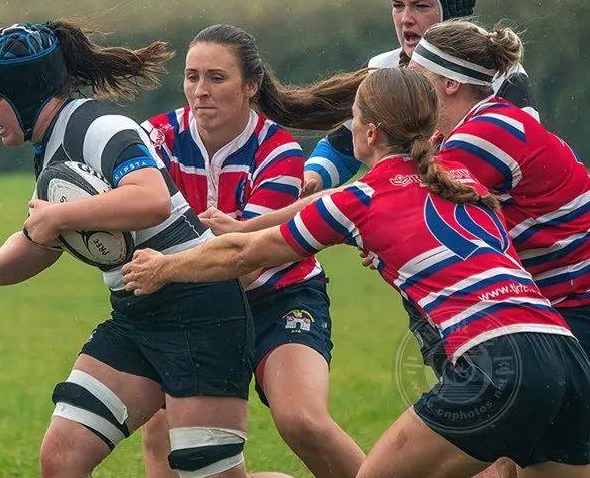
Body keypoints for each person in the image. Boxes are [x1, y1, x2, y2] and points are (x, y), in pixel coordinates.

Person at [122, 67, 590, 478]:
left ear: (368, 133)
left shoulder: (360, 199)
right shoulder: (463, 181)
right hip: (567, 357)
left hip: (495, 361)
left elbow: (248, 253)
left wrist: (165, 267)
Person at [0, 22, 257, 478]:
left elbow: (149, 199)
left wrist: (60, 216)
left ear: (24, 92)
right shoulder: (52, 143)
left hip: (201, 311)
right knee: (63, 456)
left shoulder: (98, 126)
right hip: (137, 314)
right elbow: (43, 238)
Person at [138, 25, 364, 478]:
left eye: (216, 78)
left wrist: (170, 261)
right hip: (194, 305)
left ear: (251, 86)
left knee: (303, 422)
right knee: (161, 439)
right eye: (191, 77)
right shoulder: (157, 136)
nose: (200, 91)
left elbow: (245, 261)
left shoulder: (278, 150)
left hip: (278, 299)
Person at [407, 19, 590, 343]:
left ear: (450, 82)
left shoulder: (487, 132)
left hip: (577, 302)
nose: (409, 90)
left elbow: (408, 205)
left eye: (418, 78)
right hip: (559, 300)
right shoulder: (463, 129)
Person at [303, 0, 535, 195]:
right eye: (397, 5)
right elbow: (343, 147)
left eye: (420, 6)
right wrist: (311, 179)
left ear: (453, 16)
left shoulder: (503, 75)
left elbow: (520, 167)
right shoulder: (383, 68)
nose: (405, 18)